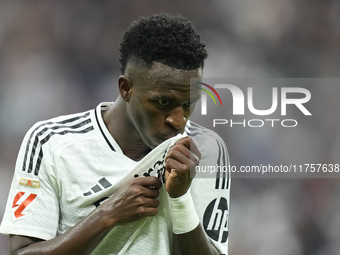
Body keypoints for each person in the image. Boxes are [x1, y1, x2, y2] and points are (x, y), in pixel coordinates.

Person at [0, 13, 230, 255]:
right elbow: (21, 253)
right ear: (126, 88)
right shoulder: (50, 142)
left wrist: (181, 199)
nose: (178, 120)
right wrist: (107, 214)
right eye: (163, 102)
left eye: (189, 104)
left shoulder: (206, 150)